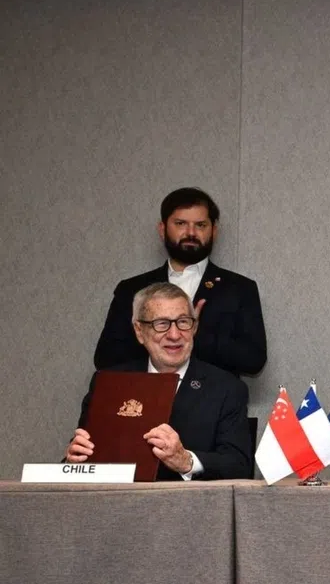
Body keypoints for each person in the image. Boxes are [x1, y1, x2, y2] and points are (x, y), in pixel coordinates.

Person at [68, 282, 252, 480]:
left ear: (194, 327)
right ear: (139, 331)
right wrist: (74, 461)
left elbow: (239, 465)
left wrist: (187, 461)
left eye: (183, 322)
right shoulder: (109, 384)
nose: (174, 335)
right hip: (118, 497)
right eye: (162, 324)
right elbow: (80, 458)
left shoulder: (226, 388)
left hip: (187, 499)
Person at [94, 187, 267, 377]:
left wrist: (196, 334)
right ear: (162, 229)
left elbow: (254, 360)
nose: (191, 233)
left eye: (200, 225)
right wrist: (155, 335)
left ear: (214, 231)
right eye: (181, 223)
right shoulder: (132, 289)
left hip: (213, 394)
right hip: (147, 393)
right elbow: (105, 358)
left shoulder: (239, 288)